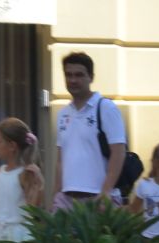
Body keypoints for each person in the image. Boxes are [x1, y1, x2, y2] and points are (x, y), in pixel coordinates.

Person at [53, 52, 125, 208]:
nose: (73, 80)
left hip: (98, 199)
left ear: (91, 77)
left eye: (79, 75)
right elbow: (60, 160)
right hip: (66, 200)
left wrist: (105, 192)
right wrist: (56, 196)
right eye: (68, 75)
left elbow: (118, 152)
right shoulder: (62, 114)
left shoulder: (105, 108)